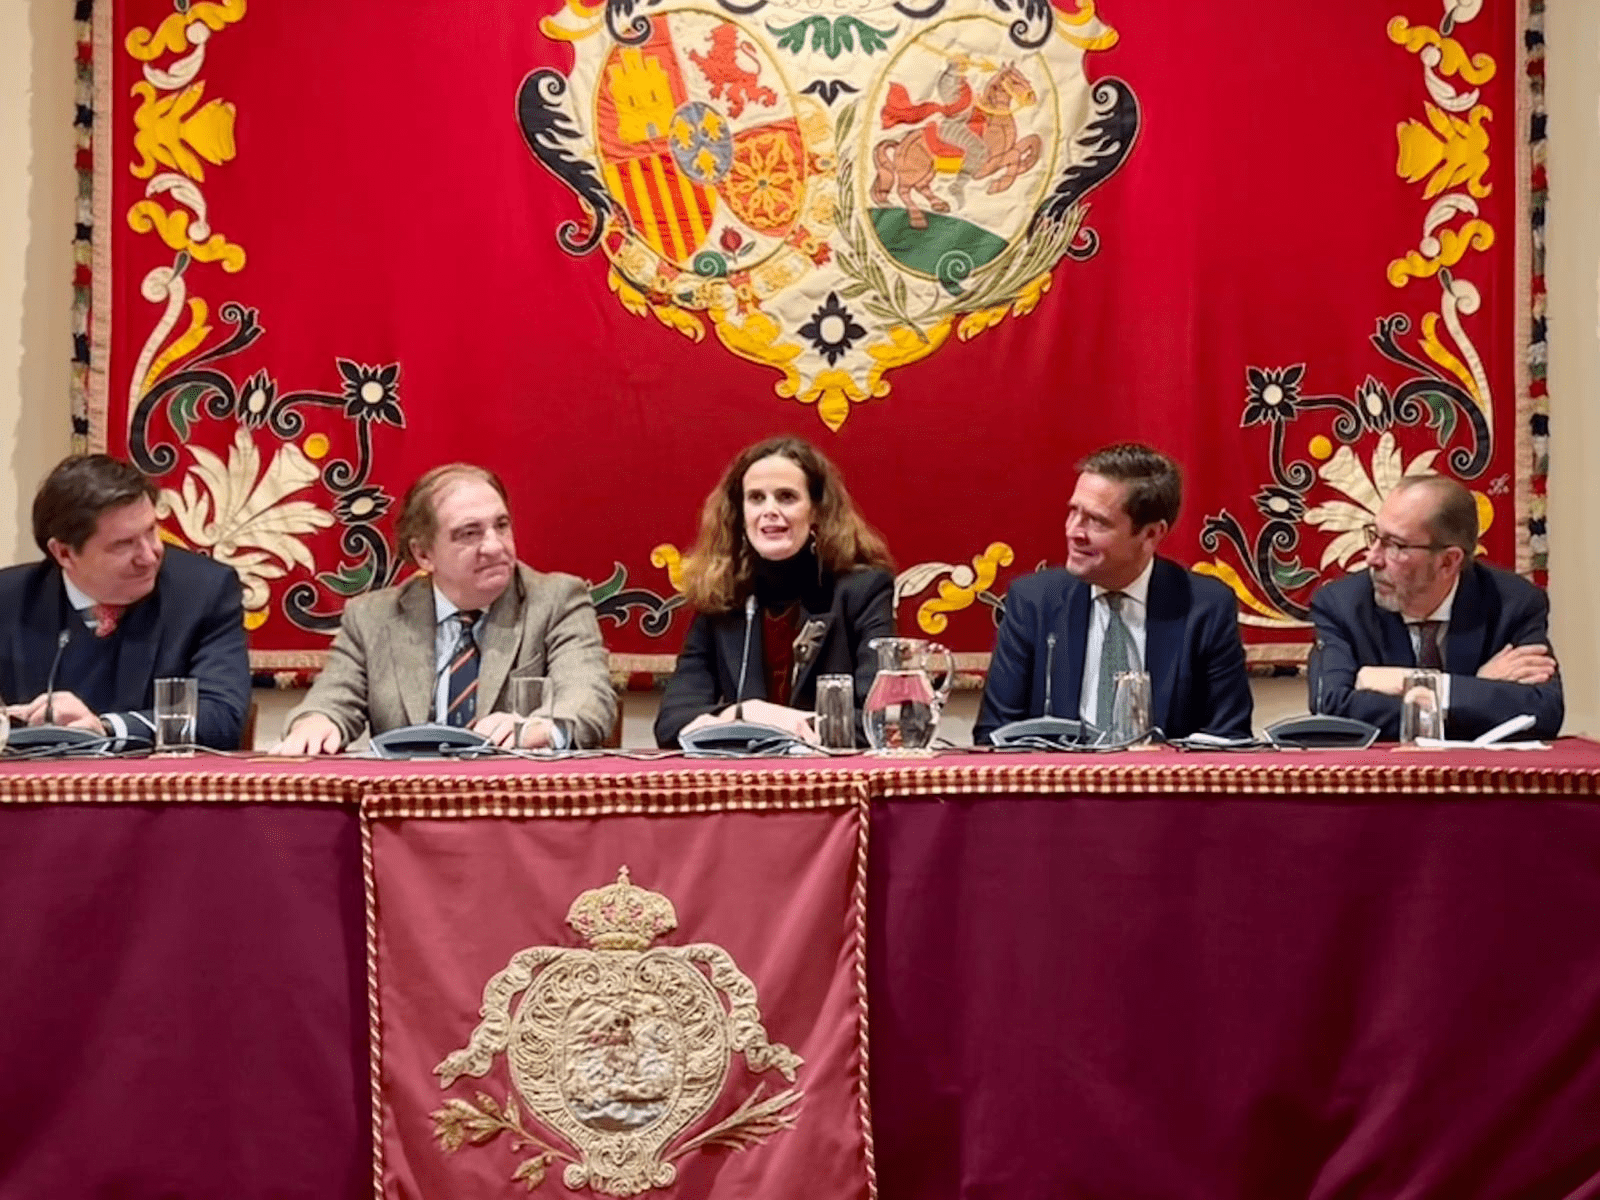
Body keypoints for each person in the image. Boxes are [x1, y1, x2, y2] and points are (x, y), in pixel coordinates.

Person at [271, 463, 615, 754]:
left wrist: (541, 726)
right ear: (423, 554)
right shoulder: (373, 617)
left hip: (515, 813)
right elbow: (331, 699)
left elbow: (588, 698)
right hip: (405, 811)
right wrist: (316, 722)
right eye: (469, 533)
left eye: (502, 525)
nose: (494, 546)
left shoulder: (557, 601)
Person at [975, 443, 1253, 742]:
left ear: (1151, 534)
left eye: (1096, 521)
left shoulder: (1205, 607)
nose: (1074, 531)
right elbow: (995, 736)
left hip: (1162, 785)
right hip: (1058, 784)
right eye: (1074, 512)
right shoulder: (1033, 602)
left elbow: (1229, 739)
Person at [654, 436, 895, 747]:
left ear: (817, 512)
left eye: (786, 497)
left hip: (831, 783)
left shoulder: (862, 591)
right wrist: (749, 713)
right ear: (740, 515)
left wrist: (793, 723)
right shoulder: (722, 596)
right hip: (744, 786)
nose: (769, 511)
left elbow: (880, 721)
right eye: (756, 498)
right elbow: (672, 723)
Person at [0, 454, 249, 748]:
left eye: (151, 531)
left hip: (158, 787)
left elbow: (222, 715)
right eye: (124, 544)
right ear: (64, 553)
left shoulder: (203, 591)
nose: (150, 555)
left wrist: (105, 728)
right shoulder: (9, 598)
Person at [1307, 474, 1562, 740]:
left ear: (1448, 562)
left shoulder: (1513, 603)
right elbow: (1331, 708)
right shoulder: (1342, 605)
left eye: (1395, 545)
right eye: (1375, 535)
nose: (1372, 557)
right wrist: (1478, 689)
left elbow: (1542, 711)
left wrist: (1426, 686)